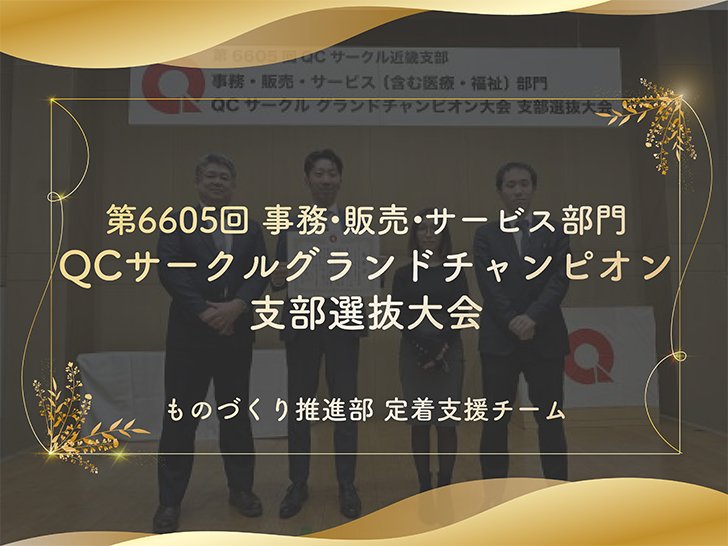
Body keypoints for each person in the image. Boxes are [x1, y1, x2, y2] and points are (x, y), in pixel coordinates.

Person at [152, 153, 268, 533]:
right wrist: (206, 312)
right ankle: (169, 501)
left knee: (235, 416)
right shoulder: (176, 222)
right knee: (179, 418)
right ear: (197, 182)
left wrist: (237, 306)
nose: (218, 183)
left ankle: (242, 490)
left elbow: (259, 272)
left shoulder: (250, 227)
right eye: (211, 177)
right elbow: (170, 271)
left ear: (233, 186)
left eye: (224, 178)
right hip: (190, 336)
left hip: (236, 334)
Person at [271, 149, 364, 519]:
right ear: (307, 180)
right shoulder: (291, 225)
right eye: (319, 173)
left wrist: (370, 274)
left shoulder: (357, 224)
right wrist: (277, 276)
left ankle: (347, 485)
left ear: (340, 179)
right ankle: (298, 483)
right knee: (299, 410)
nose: (326, 180)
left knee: (346, 410)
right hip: (302, 327)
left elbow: (370, 275)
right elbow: (278, 279)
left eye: (332, 173)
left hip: (343, 326)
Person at [473, 162, 570, 482]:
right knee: (495, 419)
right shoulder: (486, 235)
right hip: (500, 339)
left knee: (550, 418)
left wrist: (532, 318)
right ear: (500, 191)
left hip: (545, 337)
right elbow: (489, 284)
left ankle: (557, 486)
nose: (518, 191)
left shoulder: (555, 231)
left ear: (534, 188)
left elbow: (559, 280)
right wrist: (514, 320)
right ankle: (494, 489)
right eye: (511, 185)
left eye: (524, 184)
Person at [391, 209, 469, 492]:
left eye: (434, 228)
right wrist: (424, 349)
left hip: (449, 351)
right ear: (414, 235)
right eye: (422, 228)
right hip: (414, 353)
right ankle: (424, 486)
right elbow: (398, 314)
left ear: (443, 235)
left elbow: (461, 312)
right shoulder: (402, 273)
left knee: (447, 423)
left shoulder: (455, 271)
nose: (428, 234)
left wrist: (440, 348)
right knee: (419, 423)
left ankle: (445, 484)